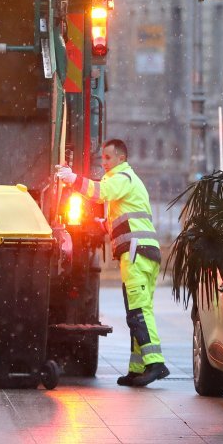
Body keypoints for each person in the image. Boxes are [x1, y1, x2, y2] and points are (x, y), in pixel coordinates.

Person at [56, 139, 169, 387]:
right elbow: (120, 219)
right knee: (137, 311)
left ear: (120, 158)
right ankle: (138, 367)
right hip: (143, 252)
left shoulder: (122, 178)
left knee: (138, 311)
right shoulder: (126, 181)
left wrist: (72, 178)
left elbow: (99, 192)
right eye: (103, 158)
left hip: (136, 253)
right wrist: (101, 225)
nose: (104, 162)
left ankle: (155, 364)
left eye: (108, 158)